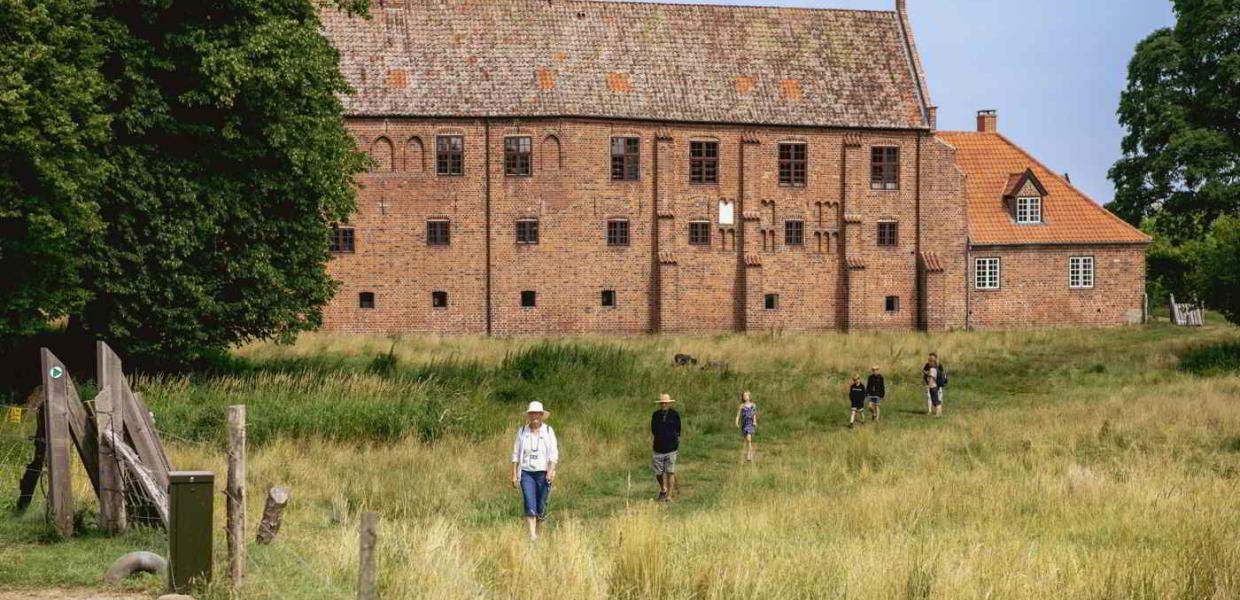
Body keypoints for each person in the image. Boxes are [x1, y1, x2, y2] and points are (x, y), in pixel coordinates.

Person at [510, 401, 558, 541]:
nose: (535, 416)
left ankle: (538, 529)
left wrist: (551, 470)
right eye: (532, 413)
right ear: (529, 415)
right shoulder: (522, 431)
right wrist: (514, 474)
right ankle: (532, 535)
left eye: (537, 413)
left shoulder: (548, 431)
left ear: (541, 415)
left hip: (543, 472)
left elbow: (554, 454)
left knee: (541, 505)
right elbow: (515, 453)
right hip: (526, 473)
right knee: (529, 501)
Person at [651, 393, 681, 501]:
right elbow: (653, 430)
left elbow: (678, 430)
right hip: (658, 448)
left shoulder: (675, 415)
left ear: (669, 403)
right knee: (658, 472)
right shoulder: (655, 415)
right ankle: (663, 488)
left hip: (671, 448)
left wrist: (675, 442)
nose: (664, 404)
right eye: (662, 403)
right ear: (660, 404)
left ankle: (669, 495)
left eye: (666, 403)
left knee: (670, 471)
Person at [734, 391, 758, 462]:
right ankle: (749, 454)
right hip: (744, 424)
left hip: (750, 423)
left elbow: (754, 414)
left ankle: (749, 455)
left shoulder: (753, 405)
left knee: (749, 439)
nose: (745, 397)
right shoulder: (741, 406)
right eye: (744, 396)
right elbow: (738, 415)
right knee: (747, 440)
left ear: (750, 396)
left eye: (747, 395)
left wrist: (754, 421)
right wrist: (736, 422)